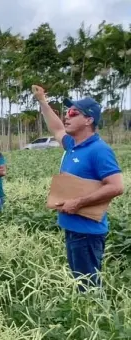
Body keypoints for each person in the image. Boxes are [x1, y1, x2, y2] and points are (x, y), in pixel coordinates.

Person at [32, 85, 124, 289]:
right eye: (67, 112)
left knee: (88, 288)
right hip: (73, 229)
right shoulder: (73, 145)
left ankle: (97, 309)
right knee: (80, 283)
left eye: (73, 113)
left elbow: (116, 186)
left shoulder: (99, 150)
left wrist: (78, 203)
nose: (67, 116)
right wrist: (42, 101)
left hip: (87, 233)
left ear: (89, 120)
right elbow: (57, 128)